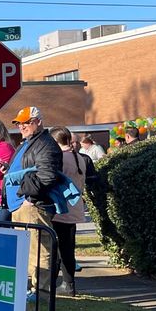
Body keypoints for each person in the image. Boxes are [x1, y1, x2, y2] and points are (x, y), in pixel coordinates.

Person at [4, 106, 65, 297]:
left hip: (33, 206)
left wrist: (28, 198)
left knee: (38, 250)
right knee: (26, 251)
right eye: (19, 123)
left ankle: (41, 293)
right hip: (21, 206)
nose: (22, 126)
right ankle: (30, 289)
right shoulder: (29, 143)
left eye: (27, 122)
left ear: (38, 121)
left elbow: (47, 176)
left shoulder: (46, 144)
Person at [51, 126, 87, 297]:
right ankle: (69, 283)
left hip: (60, 208)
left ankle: (64, 283)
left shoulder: (60, 159)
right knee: (68, 247)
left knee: (58, 248)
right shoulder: (79, 157)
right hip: (75, 206)